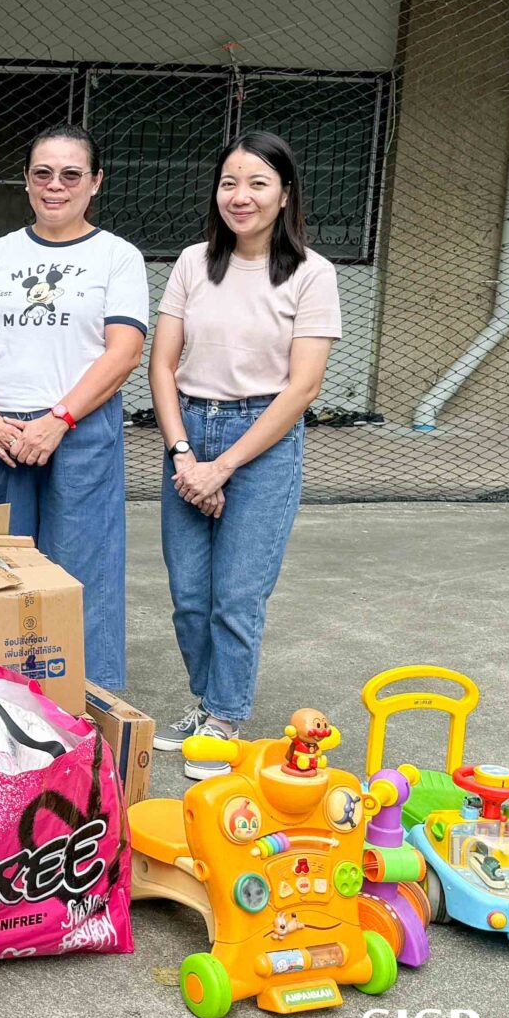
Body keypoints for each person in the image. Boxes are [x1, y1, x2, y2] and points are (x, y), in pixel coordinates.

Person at [149, 132, 339, 779]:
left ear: (284, 193)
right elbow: (162, 363)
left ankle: (227, 718)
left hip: (262, 437)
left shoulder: (313, 273)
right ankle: (207, 703)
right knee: (188, 594)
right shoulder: (192, 263)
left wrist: (222, 465)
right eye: (230, 181)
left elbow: (304, 387)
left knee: (236, 593)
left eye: (258, 182)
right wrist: (182, 454)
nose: (241, 195)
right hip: (189, 429)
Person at [0, 122, 148, 692]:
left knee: (81, 573)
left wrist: (59, 419)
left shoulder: (117, 257)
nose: (55, 186)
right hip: (3, 433)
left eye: (71, 175)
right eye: (43, 174)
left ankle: (90, 704)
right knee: (7, 574)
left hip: (78, 431)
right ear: (27, 182)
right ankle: (9, 699)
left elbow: (125, 350)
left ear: (95, 183)